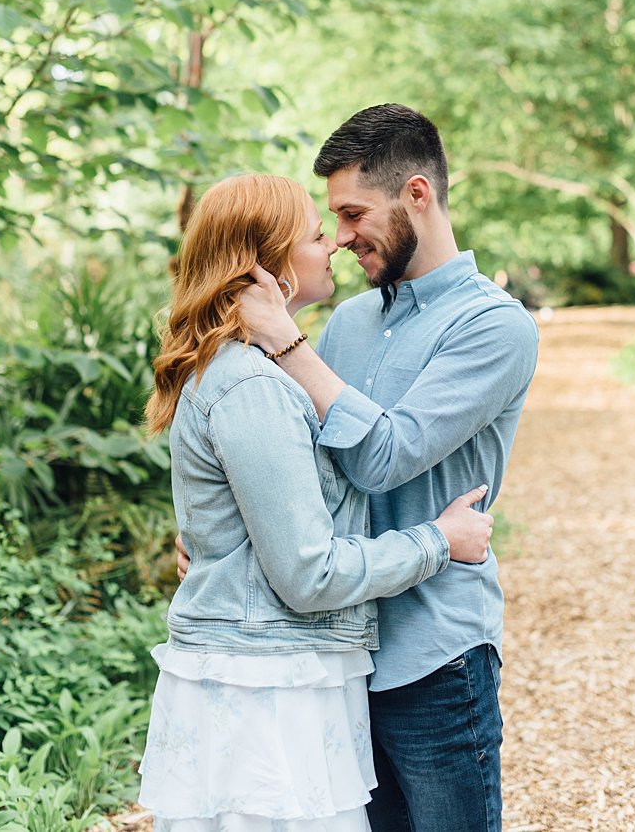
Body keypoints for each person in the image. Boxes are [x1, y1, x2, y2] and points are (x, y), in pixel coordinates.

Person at [138, 173, 494, 832]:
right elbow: (309, 572)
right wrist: (440, 541)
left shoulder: (259, 370)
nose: (331, 245)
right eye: (315, 234)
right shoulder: (253, 385)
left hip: (279, 673)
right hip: (270, 687)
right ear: (266, 267)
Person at [229, 104, 540, 831]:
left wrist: (285, 343)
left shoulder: (494, 326)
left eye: (352, 213)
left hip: (434, 657)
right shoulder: (349, 323)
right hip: (336, 653)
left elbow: (384, 457)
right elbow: (299, 461)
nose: (338, 239)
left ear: (417, 196)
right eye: (333, 220)